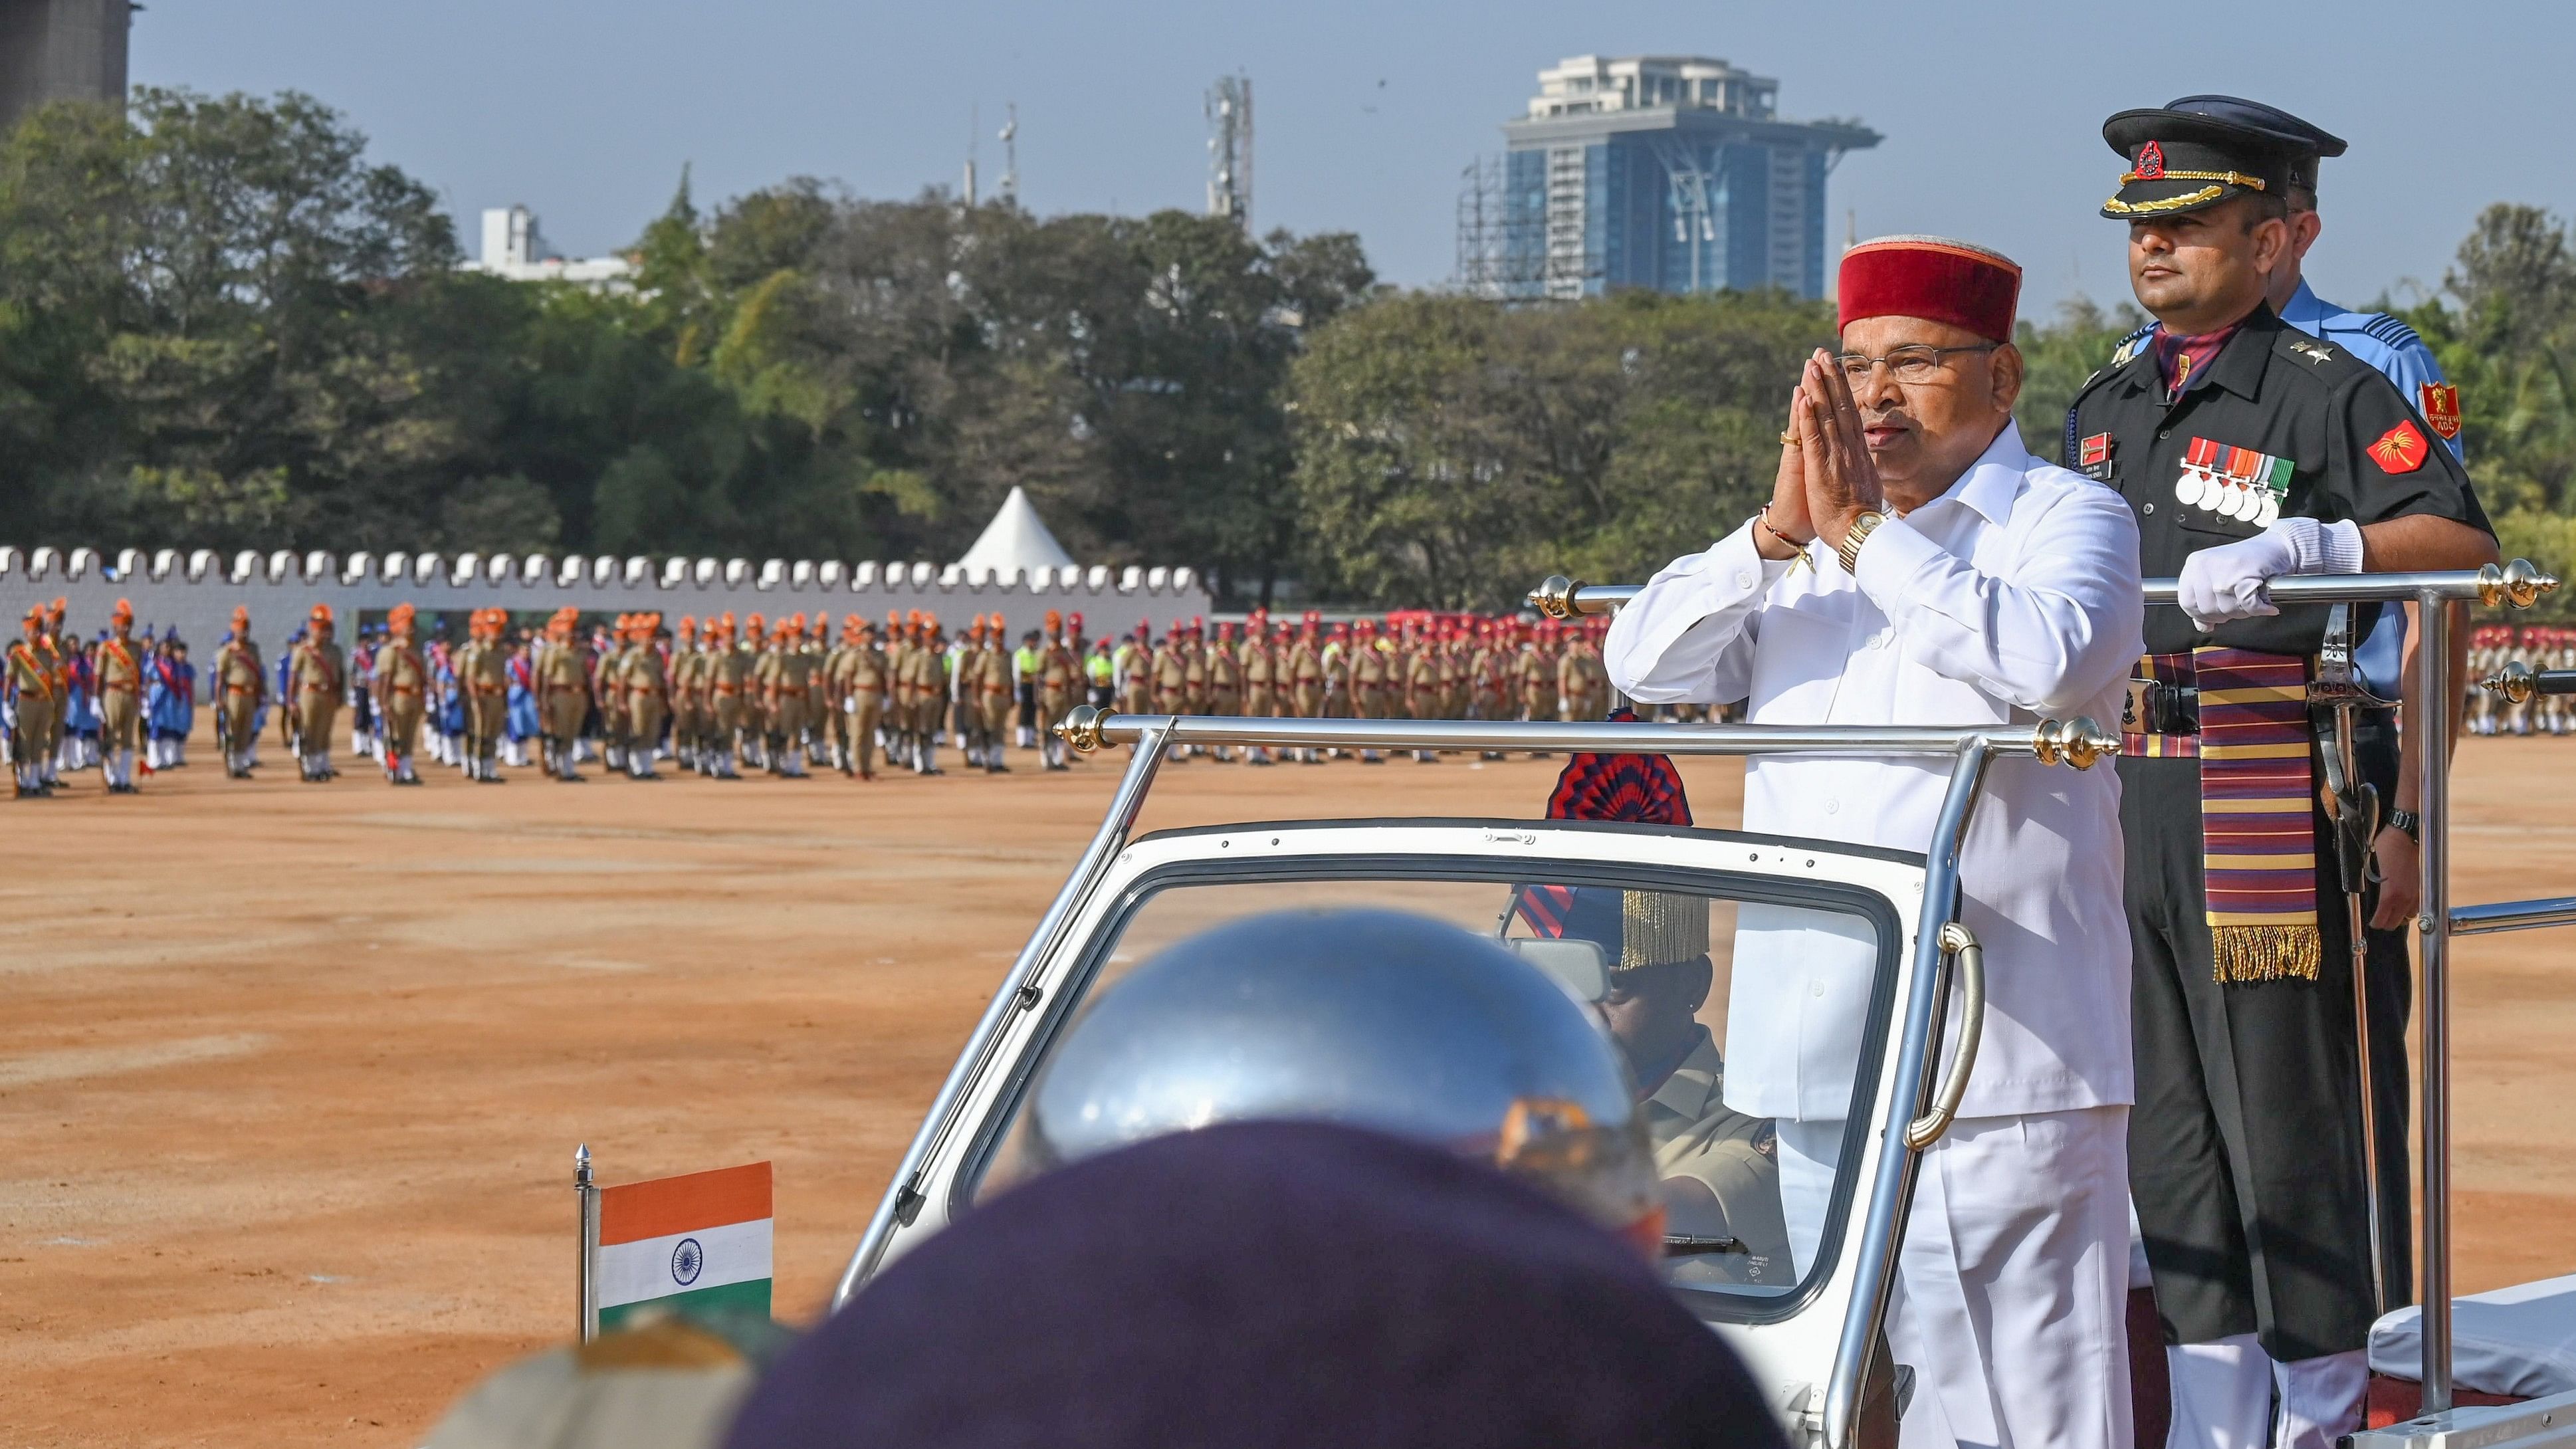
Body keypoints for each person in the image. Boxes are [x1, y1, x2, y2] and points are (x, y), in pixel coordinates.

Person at [1606, 235, 2145, 1449]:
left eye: (1912, 362)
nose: (1873, 396)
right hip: (1816, 1063)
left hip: (1995, 1059)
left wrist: (1869, 541)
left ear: (2002, 381)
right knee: (1835, 1391)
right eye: (1851, 367)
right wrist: (1776, 537)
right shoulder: (1800, 557)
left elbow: (2055, 664)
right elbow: (1638, 663)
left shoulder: (2066, 518)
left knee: (2021, 1410)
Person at [2068, 106, 2497, 1449]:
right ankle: (2212, 1411)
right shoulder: (2106, 400)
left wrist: (2330, 546)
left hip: (2278, 772)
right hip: (2130, 779)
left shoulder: (2334, 380)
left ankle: (2316, 1410)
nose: (2153, 249)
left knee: (2294, 1117)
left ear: (2273, 241)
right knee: (2172, 1125)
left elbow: (2457, 544)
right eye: (2140, 228)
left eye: (2183, 226)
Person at [288, 605, 346, 783]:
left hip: (328, 694)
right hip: (309, 694)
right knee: (309, 731)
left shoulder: (335, 650)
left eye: (327, 629)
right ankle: (310, 768)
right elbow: (293, 677)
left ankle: (322, 766)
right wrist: (291, 701)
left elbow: (341, 675)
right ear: (312, 629)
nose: (324, 633)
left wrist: (341, 696)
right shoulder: (303, 650)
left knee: (324, 731)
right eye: (320, 629)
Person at [94, 600, 146, 794]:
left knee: (127, 739)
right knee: (109, 737)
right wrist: (95, 699)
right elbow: (99, 675)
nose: (123, 629)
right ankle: (112, 778)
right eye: (120, 625)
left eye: (126, 625)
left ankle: (123, 778)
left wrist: (142, 697)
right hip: (112, 694)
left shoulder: (137, 647)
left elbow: (140, 673)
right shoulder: (106, 648)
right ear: (114, 626)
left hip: (130, 694)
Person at [375, 604, 429, 785]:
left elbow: (421, 678)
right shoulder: (391, 651)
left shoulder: (415, 651)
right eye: (407, 624)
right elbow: (385, 680)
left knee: (408, 737)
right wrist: (384, 704)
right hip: (398, 698)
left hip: (414, 698)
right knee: (395, 737)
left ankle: (406, 769)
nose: (411, 629)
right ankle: (393, 768)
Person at [8, 605, 56, 798]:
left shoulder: (47, 653)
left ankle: (35, 781)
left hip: (43, 701)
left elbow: (51, 677)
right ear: (26, 633)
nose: (35, 635)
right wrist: (5, 704)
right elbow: (9, 678)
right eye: (31, 632)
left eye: (38, 631)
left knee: (39, 742)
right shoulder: (19, 653)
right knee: (25, 742)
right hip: (26, 700)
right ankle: (24, 782)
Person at [211, 608, 263, 779]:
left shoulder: (253, 650)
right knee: (232, 731)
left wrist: (260, 694)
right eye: (240, 629)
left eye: (246, 629)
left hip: (250, 695)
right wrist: (219, 699)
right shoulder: (227, 652)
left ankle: (241, 766)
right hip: (234, 694)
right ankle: (231, 766)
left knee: (245, 732)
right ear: (234, 630)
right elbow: (219, 679)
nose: (243, 633)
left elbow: (258, 674)